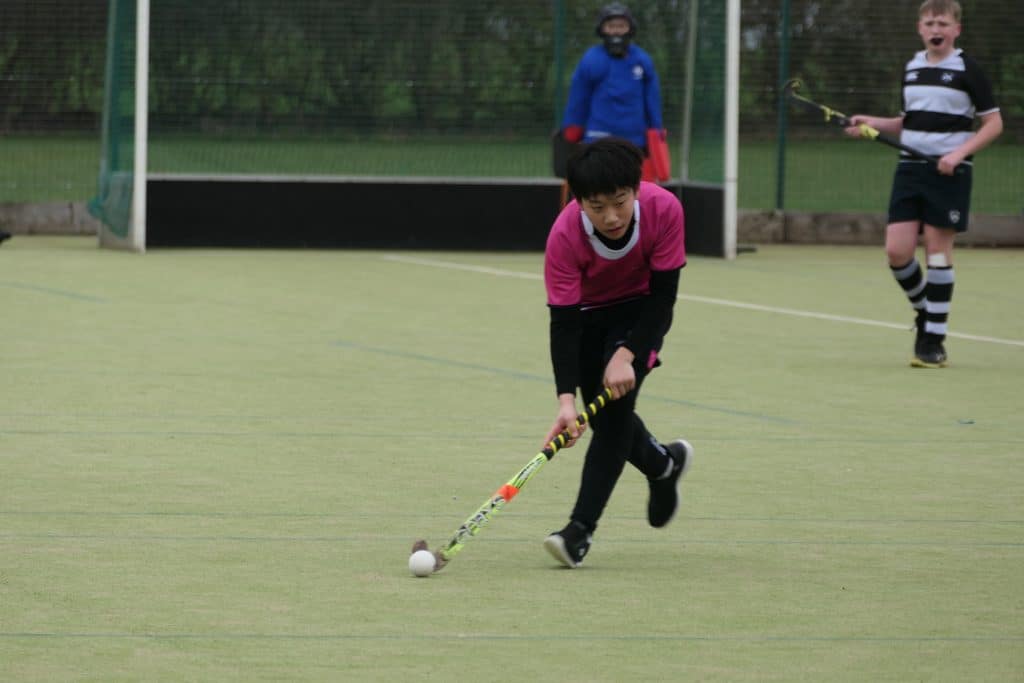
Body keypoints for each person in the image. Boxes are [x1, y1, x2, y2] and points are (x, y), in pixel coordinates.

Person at [541, 137, 692, 568]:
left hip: (642, 311)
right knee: (604, 410)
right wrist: (565, 402)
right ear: (579, 201)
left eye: (620, 202)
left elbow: (663, 298)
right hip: (588, 315)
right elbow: (564, 324)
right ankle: (663, 464)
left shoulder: (664, 210)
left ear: (636, 189)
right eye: (597, 206)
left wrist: (628, 354)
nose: (610, 216)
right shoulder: (564, 236)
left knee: (612, 417)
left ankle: (579, 531)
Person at [843, 0, 1002, 368]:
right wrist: (871, 123)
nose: (936, 29)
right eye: (930, 23)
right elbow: (909, 121)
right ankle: (925, 311)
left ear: (956, 30)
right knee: (897, 252)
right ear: (920, 28)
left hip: (947, 173)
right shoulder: (912, 67)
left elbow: (994, 123)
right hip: (909, 169)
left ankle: (932, 341)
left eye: (943, 23)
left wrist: (958, 154)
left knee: (937, 250)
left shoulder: (967, 69)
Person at [561, 3, 668, 183]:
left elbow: (652, 100)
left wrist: (656, 130)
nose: (616, 31)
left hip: (635, 141)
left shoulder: (642, 60)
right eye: (611, 26)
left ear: (630, 29)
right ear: (602, 29)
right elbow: (579, 98)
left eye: (621, 26)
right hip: (597, 140)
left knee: (637, 190)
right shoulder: (591, 59)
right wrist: (572, 127)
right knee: (596, 187)